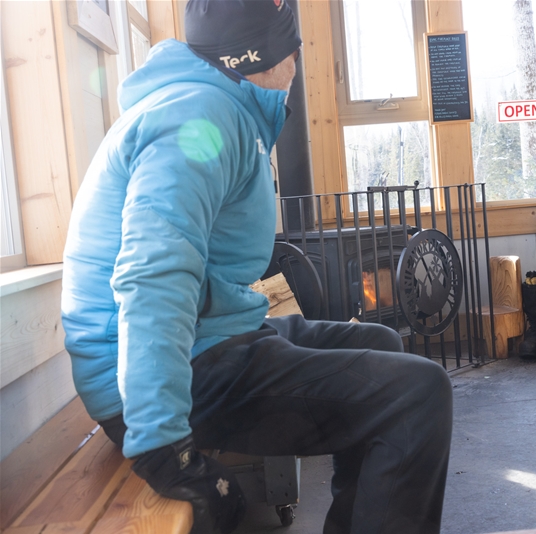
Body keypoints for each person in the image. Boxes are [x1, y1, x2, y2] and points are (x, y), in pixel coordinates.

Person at [60, 1, 453, 533]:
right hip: (155, 381)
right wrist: (163, 446)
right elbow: (153, 277)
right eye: (293, 47)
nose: (297, 59)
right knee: (418, 393)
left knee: (382, 345)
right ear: (259, 56)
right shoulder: (198, 120)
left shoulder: (212, 106)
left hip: (207, 340)